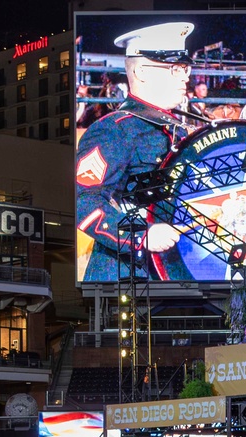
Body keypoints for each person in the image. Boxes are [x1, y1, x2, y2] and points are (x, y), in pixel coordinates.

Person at [75, 22, 194, 281]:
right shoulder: (113, 130)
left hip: (174, 270)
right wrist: (141, 234)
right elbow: (82, 200)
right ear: (141, 71)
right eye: (175, 68)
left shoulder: (180, 130)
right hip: (124, 275)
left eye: (185, 68)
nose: (185, 76)